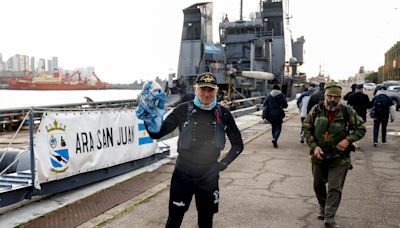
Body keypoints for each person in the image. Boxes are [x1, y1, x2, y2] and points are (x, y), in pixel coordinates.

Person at [143, 72, 244, 228]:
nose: (206, 94)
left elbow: (238, 145)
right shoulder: (182, 110)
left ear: (216, 91)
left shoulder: (223, 113)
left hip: (209, 175)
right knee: (174, 219)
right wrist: (149, 116)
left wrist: (222, 164)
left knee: (206, 219)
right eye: (202, 89)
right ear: (196, 89)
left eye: (210, 90)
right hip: (183, 174)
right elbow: (156, 133)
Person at [302, 80, 366, 228]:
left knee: (334, 188)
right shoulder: (316, 111)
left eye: (335, 97)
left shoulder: (347, 111)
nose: (332, 99)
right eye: (329, 96)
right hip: (319, 156)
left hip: (340, 158)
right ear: (325, 96)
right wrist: (314, 146)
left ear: (339, 97)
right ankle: (323, 207)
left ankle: (329, 219)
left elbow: (360, 128)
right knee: (318, 185)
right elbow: (306, 129)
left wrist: (348, 140)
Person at [262, 84, 288, 148]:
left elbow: (264, 104)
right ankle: (275, 139)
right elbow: (285, 105)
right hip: (278, 114)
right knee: (278, 127)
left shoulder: (269, 96)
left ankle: (274, 137)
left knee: (273, 127)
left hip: (270, 114)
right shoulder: (281, 95)